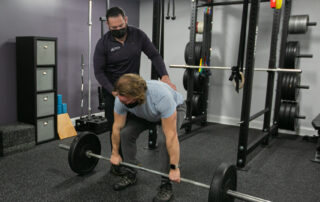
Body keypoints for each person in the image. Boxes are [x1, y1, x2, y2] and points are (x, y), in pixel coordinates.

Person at [93, 7, 176, 176]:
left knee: (131, 129)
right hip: (114, 94)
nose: (118, 29)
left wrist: (165, 76)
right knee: (116, 128)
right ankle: (118, 162)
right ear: (108, 26)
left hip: (134, 91)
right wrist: (113, 92)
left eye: (120, 25)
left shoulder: (138, 35)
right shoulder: (103, 44)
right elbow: (99, 72)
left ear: (126, 19)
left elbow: (154, 55)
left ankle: (131, 162)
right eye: (113, 28)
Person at [110, 74, 186, 202]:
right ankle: (131, 173)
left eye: (124, 99)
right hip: (147, 114)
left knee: (163, 141)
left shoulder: (161, 97)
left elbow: (171, 137)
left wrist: (174, 168)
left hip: (175, 109)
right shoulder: (121, 99)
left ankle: (166, 183)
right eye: (120, 98)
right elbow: (117, 127)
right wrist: (115, 153)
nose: (120, 100)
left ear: (136, 96)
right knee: (125, 134)